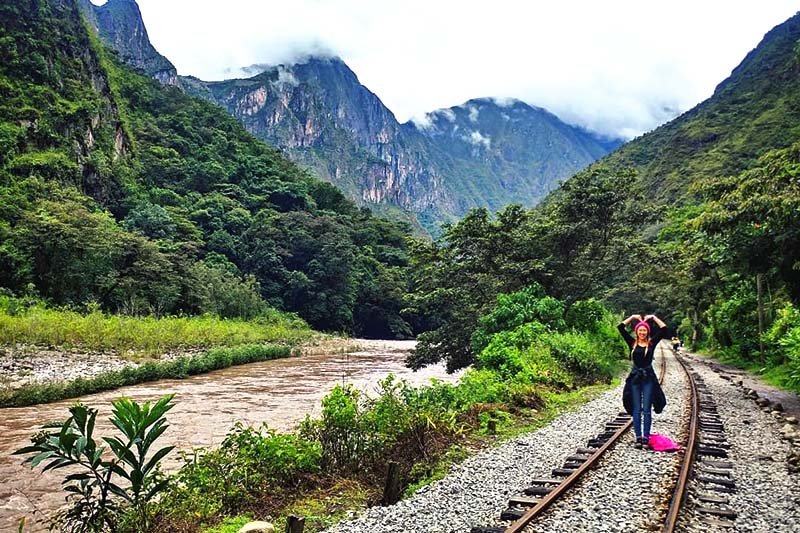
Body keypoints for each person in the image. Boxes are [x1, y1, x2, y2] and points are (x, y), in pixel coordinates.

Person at [619, 313, 668, 449]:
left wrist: (653, 318)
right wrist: (633, 318)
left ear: (647, 332)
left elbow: (664, 329)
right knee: (636, 409)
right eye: (640, 330)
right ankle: (638, 438)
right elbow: (621, 328)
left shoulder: (651, 343)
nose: (642, 332)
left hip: (648, 378)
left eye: (644, 330)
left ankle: (646, 437)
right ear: (637, 331)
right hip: (635, 378)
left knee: (646, 409)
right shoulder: (632, 343)